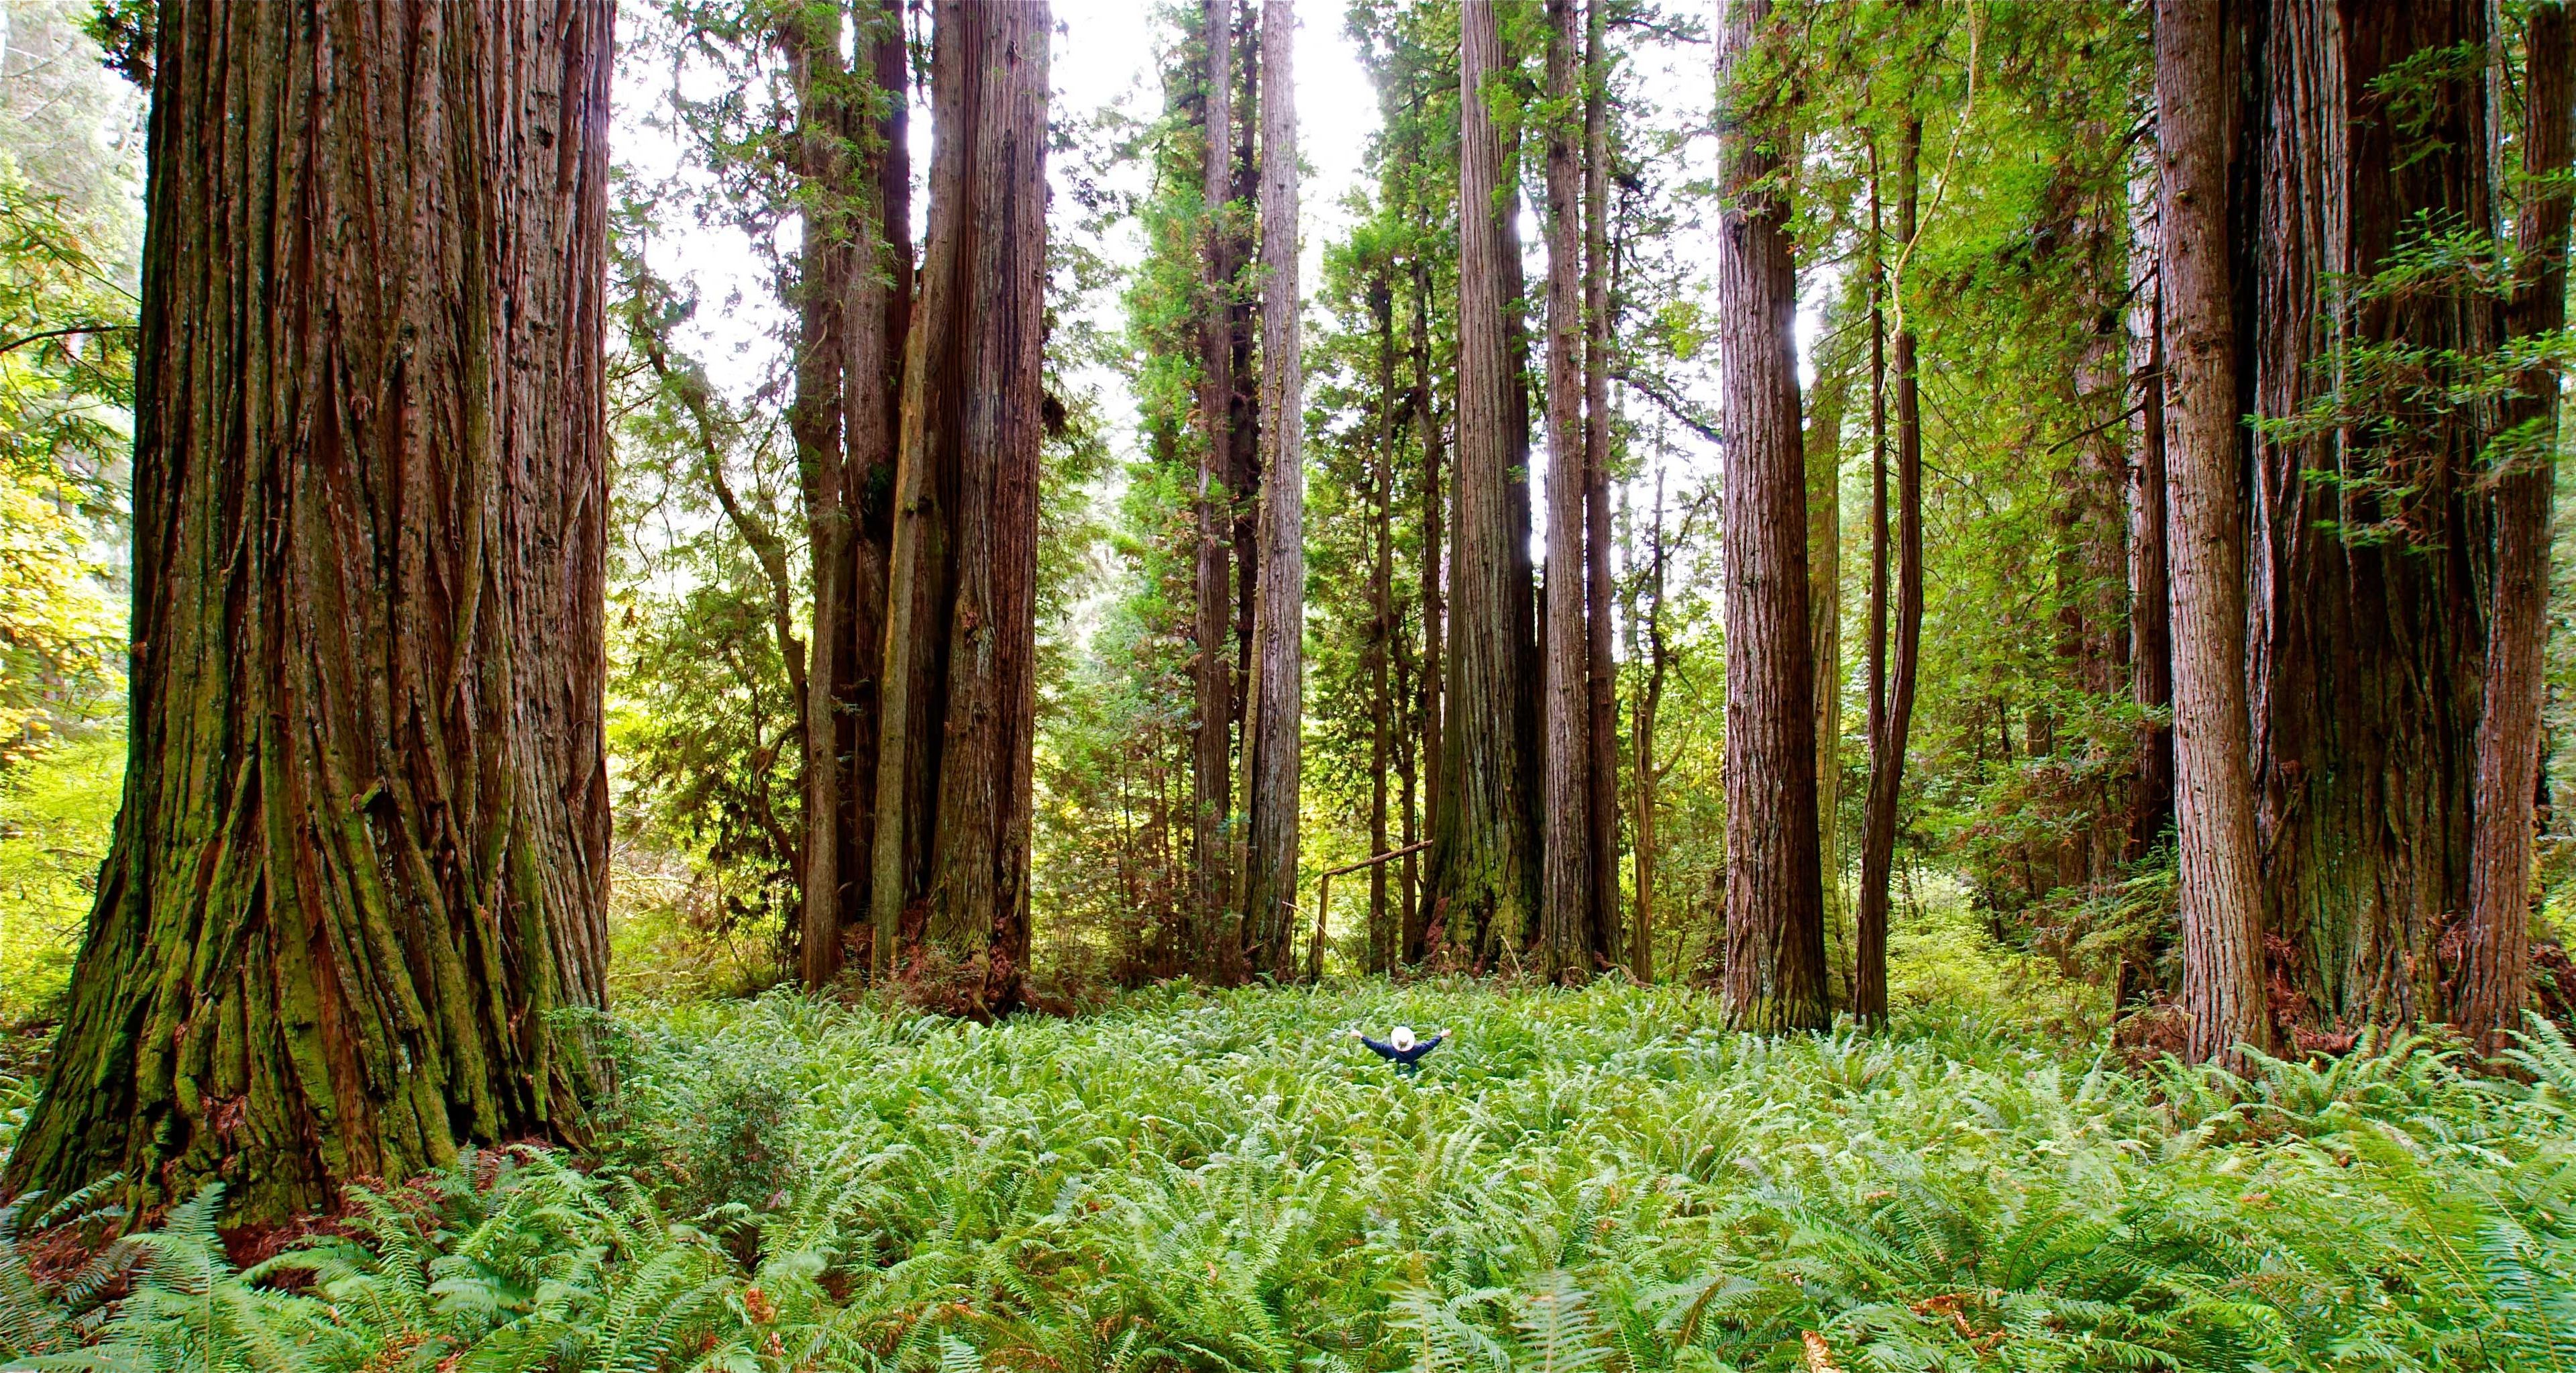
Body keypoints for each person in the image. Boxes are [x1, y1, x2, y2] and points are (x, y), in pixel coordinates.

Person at [1349, 1024, 1448, 1074]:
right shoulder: (1417, 1050)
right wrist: (1441, 1035)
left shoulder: (1388, 1049)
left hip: (1392, 1077)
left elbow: (1374, 1045)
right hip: (1412, 1078)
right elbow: (1430, 1045)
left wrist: (1361, 1036)